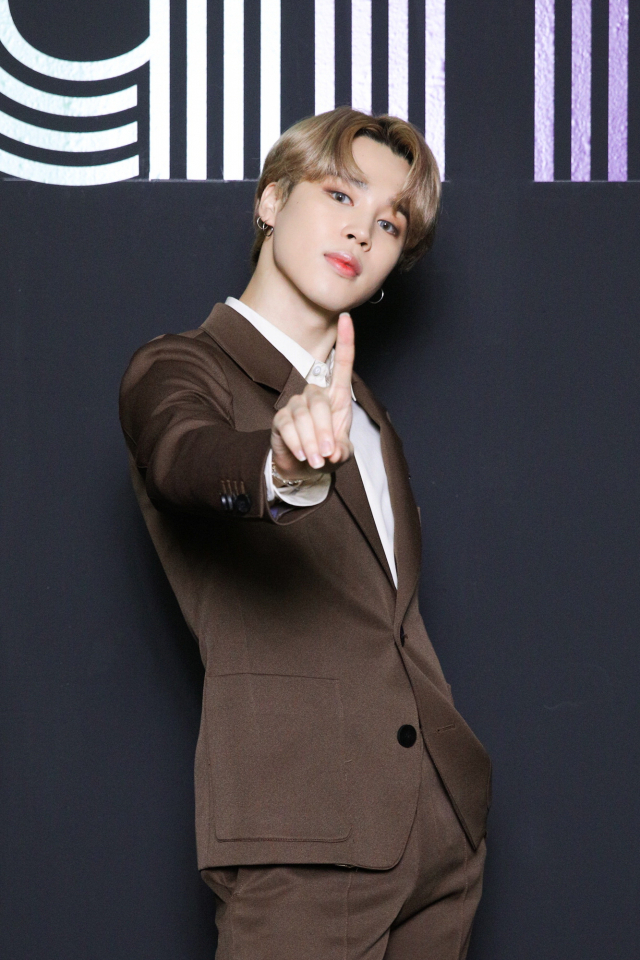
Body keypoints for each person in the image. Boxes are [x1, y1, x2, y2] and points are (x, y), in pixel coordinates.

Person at [119, 106, 491, 960]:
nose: (363, 231)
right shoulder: (179, 367)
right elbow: (184, 457)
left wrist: (458, 799)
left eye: (390, 223)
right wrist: (280, 468)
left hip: (440, 831)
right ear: (271, 200)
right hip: (307, 838)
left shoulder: (366, 414)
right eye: (340, 195)